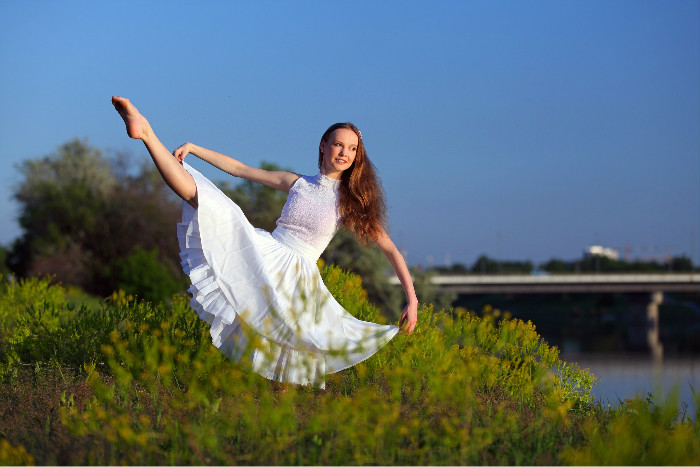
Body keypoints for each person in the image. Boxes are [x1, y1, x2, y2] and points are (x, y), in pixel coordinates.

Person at [111, 96, 418, 388]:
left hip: (298, 277)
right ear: (323, 146)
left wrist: (412, 299)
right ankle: (148, 134)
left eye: (352, 149)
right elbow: (240, 170)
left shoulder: (350, 202)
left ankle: (277, 411)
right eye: (339, 144)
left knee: (293, 352)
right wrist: (194, 148)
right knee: (208, 201)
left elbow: (389, 248)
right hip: (266, 252)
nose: (345, 153)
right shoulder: (296, 182)